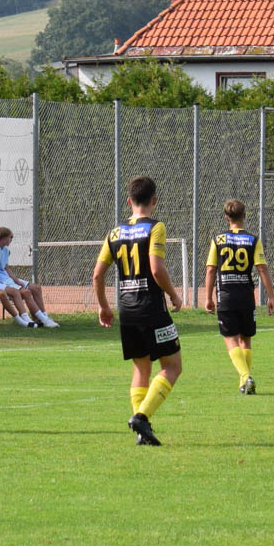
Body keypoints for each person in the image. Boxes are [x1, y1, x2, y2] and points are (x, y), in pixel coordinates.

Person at [94, 176, 183, 446]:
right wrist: (173, 294)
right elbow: (156, 269)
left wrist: (104, 306)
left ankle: (141, 432)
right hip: (151, 308)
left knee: (141, 369)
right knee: (172, 367)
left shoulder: (114, 233)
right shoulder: (155, 227)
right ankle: (142, 417)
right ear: (154, 200)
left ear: (129, 200)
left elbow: (97, 275)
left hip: (127, 310)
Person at [204, 199, 274, 394]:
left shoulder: (218, 240)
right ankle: (244, 384)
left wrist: (208, 297)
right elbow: (262, 269)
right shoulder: (253, 240)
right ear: (244, 215)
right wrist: (271, 297)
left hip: (226, 296)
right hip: (246, 296)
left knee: (230, 338)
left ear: (226, 218)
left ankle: (245, 377)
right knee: (246, 339)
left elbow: (210, 270)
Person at [0, 227, 58, 327]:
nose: (11, 239)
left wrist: (16, 280)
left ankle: (42, 317)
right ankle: (39, 320)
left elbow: (6, 268)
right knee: (26, 292)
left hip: (6, 279)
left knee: (36, 288)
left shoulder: (5, 250)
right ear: (4, 238)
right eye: (10, 237)